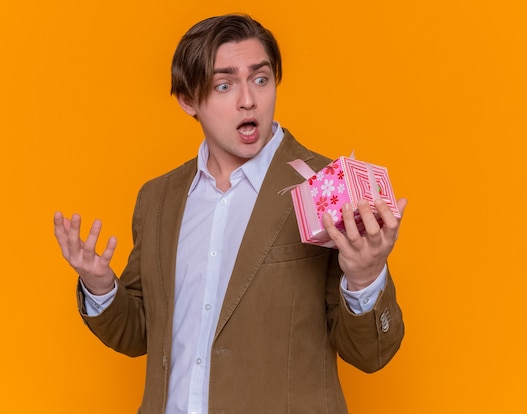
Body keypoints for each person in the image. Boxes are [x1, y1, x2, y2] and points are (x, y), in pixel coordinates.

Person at [54, 13, 407, 414]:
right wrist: (101, 288)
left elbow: (370, 354)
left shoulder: (327, 188)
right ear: (188, 100)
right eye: (225, 85)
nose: (248, 100)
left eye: (260, 79)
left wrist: (365, 277)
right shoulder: (158, 198)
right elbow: (142, 335)